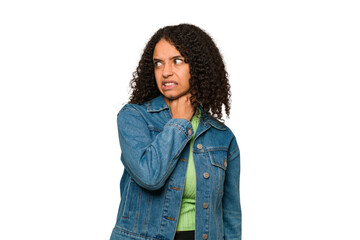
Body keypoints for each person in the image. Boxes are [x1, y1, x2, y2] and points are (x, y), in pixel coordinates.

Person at [110, 23, 241, 240]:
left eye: (177, 61)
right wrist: (179, 122)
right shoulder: (134, 117)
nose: (166, 72)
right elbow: (150, 176)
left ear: (199, 67)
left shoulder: (222, 136)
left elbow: (230, 214)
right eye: (158, 64)